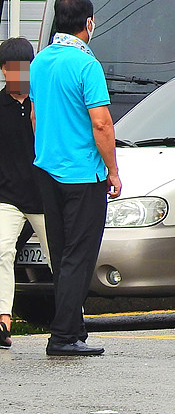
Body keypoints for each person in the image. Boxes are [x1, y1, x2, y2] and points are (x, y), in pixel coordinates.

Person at [31, 0, 121, 356]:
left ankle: (74, 327)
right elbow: (101, 124)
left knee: (61, 251)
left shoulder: (39, 62)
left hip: (47, 169)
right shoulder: (87, 65)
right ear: (88, 23)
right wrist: (113, 170)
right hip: (82, 173)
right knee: (79, 255)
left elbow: (36, 117)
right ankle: (64, 335)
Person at [0, 36, 51, 350]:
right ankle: (2, 320)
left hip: (45, 196)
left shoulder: (45, 103)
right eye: (14, 69)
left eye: (26, 69)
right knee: (1, 251)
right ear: (4, 70)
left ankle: (72, 318)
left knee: (60, 258)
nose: (20, 76)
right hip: (8, 196)